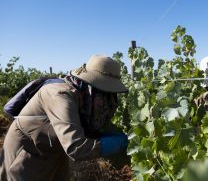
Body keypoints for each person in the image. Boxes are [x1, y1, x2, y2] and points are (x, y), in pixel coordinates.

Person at [0, 55, 129, 181]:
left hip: (54, 151)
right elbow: (76, 147)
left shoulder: (84, 95)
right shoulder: (60, 95)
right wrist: (117, 143)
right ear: (90, 83)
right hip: (27, 153)